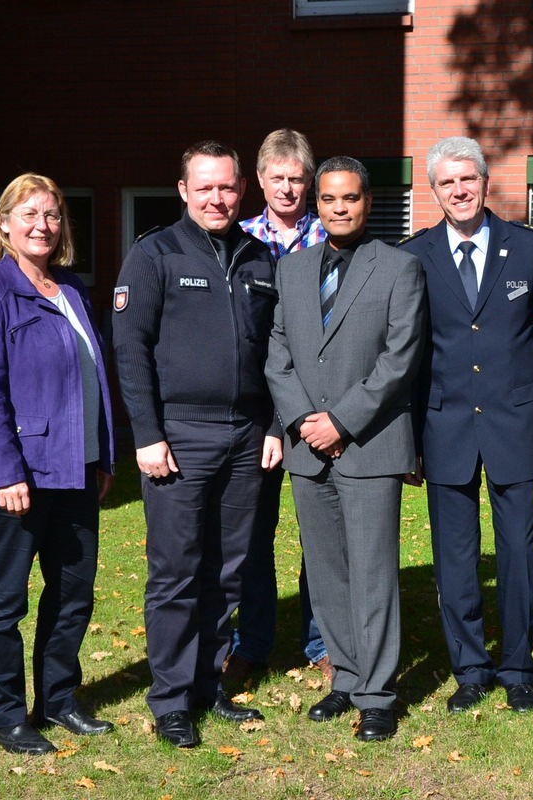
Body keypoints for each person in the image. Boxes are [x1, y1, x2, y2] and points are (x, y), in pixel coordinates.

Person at [112, 141, 275, 748]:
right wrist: (148, 435)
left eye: (227, 188)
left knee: (229, 570)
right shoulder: (154, 252)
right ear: (183, 190)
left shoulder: (259, 257)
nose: (216, 198)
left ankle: (210, 683)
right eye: (204, 187)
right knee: (177, 571)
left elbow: (276, 351)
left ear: (241, 191)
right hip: (179, 435)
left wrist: (277, 427)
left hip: (245, 435)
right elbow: (130, 351)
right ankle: (172, 699)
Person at [265, 156, 426, 742]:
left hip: (370, 444)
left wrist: (340, 420)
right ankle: (346, 677)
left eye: (350, 198)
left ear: (368, 201)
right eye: (329, 198)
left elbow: (400, 360)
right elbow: (277, 350)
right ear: (317, 202)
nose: (339, 207)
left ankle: (378, 694)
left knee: (372, 570)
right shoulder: (293, 268)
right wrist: (305, 421)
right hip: (309, 447)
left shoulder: (400, 268)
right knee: (327, 571)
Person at [0, 173, 115, 755]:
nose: (41, 225)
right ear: (3, 224)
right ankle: (5, 715)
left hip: (75, 466)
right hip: (16, 474)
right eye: (28, 214)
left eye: (50, 215)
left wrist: (103, 457)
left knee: (73, 592)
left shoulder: (70, 290)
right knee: (4, 601)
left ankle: (60, 699)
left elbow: (91, 378)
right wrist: (5, 473)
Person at [399, 137, 533, 714]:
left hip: (515, 424)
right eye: (446, 183)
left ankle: (517, 666)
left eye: (468, 180)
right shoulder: (414, 256)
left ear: (485, 183)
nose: (459, 191)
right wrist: (410, 438)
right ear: (433, 191)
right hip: (444, 428)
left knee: (518, 554)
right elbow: (407, 354)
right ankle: (470, 669)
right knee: (455, 558)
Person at [228, 128, 330, 686]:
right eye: (278, 178)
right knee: (254, 533)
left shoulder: (331, 237)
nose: (288, 188)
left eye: (297, 178)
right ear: (259, 181)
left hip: (319, 407)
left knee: (319, 533)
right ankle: (253, 643)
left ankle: (321, 640)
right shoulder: (239, 241)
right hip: (253, 412)